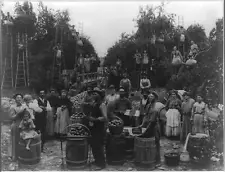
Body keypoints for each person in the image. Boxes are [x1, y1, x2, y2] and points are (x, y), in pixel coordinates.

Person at [139, 91, 161, 166]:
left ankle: (158, 161)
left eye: (152, 96)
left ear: (155, 98)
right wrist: (142, 124)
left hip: (154, 126)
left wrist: (145, 131)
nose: (150, 97)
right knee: (149, 144)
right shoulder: (148, 105)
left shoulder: (156, 107)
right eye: (150, 96)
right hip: (149, 125)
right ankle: (149, 158)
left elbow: (152, 121)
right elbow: (145, 116)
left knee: (156, 143)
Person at [87, 88, 107, 170]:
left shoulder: (102, 105)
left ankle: (102, 164)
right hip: (93, 128)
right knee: (93, 145)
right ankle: (97, 160)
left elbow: (105, 118)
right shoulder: (94, 103)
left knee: (98, 146)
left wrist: (95, 119)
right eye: (93, 93)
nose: (94, 95)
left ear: (100, 95)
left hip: (99, 128)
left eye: (96, 93)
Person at [9, 94, 26, 161]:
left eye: (20, 97)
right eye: (17, 97)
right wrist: (18, 114)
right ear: (15, 99)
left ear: (22, 99)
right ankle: (15, 156)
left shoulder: (24, 106)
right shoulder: (12, 107)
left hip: (24, 125)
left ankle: (23, 155)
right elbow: (11, 117)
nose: (19, 99)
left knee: (23, 140)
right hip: (16, 124)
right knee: (15, 141)